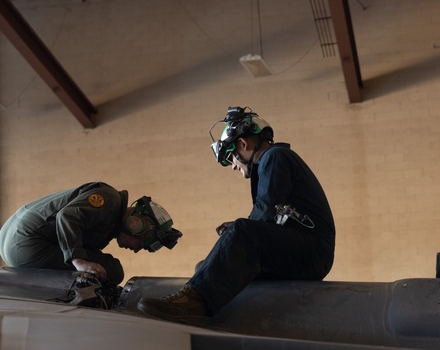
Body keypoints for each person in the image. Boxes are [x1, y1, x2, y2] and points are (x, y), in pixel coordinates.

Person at [137, 106, 336, 324]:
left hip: (311, 253)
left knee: (241, 232)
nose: (233, 166)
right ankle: (201, 299)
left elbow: (266, 212)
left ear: (243, 144)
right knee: (206, 266)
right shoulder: (274, 160)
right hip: (304, 251)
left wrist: (236, 233)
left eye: (232, 157)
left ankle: (193, 304)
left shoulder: (275, 156)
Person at [0, 182, 182, 285]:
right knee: (113, 270)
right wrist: (79, 261)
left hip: (12, 240)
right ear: (136, 225)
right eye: (140, 245)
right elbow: (67, 216)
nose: (135, 250)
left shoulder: (110, 217)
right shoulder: (109, 200)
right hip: (28, 242)